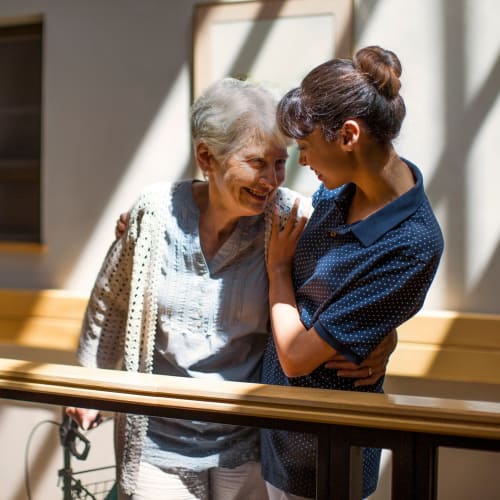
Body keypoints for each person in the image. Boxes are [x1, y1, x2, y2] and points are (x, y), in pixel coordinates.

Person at [66, 77, 396, 500]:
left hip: (249, 438)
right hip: (156, 437)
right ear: (207, 156)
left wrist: (381, 337)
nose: (272, 179)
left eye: (281, 163)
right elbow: (110, 301)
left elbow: (350, 288)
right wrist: (89, 383)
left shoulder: (291, 216)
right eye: (258, 163)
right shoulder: (155, 213)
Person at [260, 45, 444, 500]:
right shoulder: (339, 193)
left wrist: (278, 268)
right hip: (278, 435)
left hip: (328, 452)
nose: (303, 162)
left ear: (348, 135)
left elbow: (297, 357)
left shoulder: (414, 242)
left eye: (305, 147)